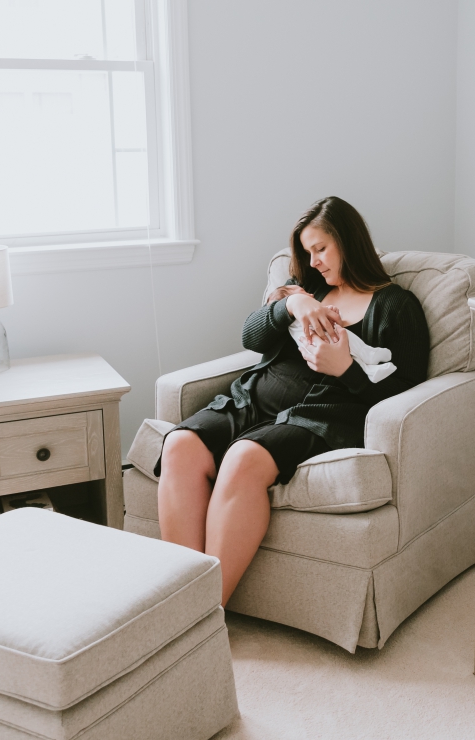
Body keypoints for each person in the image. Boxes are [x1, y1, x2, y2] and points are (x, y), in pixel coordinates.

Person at [156, 197, 430, 604]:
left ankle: (204, 613)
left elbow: (406, 393)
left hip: (319, 415)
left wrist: (345, 370)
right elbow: (251, 337)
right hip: (254, 398)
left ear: (349, 241)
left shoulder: (397, 306)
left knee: (243, 459)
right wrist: (293, 302)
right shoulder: (310, 288)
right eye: (307, 252)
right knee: (179, 444)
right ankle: (183, 599)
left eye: (321, 248)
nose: (314, 260)